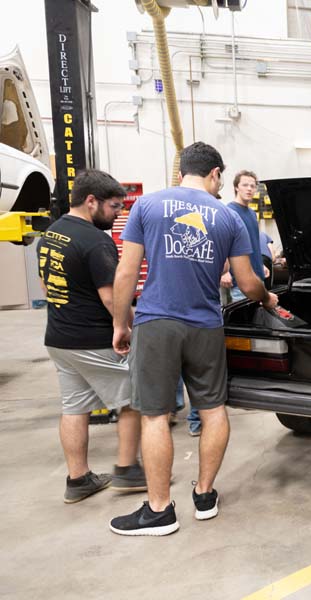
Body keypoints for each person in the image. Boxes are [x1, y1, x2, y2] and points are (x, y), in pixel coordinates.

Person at [109, 142, 277, 536]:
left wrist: (120, 323)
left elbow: (126, 273)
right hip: (205, 325)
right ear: (215, 173)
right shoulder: (228, 216)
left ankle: (159, 511)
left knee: (155, 415)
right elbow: (247, 281)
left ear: (182, 170)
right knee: (213, 409)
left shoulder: (146, 206)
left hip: (156, 322)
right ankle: (204, 495)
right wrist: (267, 298)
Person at [37, 169, 146, 503]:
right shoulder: (95, 241)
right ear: (91, 201)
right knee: (132, 399)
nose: (117, 214)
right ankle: (128, 470)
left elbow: (46, 287)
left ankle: (78, 479)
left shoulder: (50, 234)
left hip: (59, 339)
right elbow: (113, 298)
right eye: (114, 207)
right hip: (94, 340)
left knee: (74, 407)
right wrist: (130, 327)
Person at [219, 170, 267, 303]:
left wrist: (261, 265)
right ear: (236, 187)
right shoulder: (229, 211)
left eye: (252, 186)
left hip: (258, 278)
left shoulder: (252, 213)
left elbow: (254, 242)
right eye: (245, 185)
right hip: (240, 283)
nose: (249, 189)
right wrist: (224, 272)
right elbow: (223, 243)